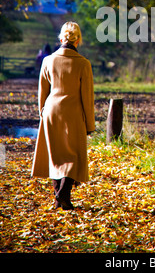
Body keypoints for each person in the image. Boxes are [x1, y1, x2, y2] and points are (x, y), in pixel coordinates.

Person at [31, 22, 95, 210]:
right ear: (78, 40)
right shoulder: (83, 64)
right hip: (73, 114)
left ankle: (59, 199)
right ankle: (62, 196)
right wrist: (89, 124)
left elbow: (42, 92)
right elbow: (87, 97)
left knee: (55, 155)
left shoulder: (48, 61)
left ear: (61, 39)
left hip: (51, 111)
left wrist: (41, 111)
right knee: (73, 156)